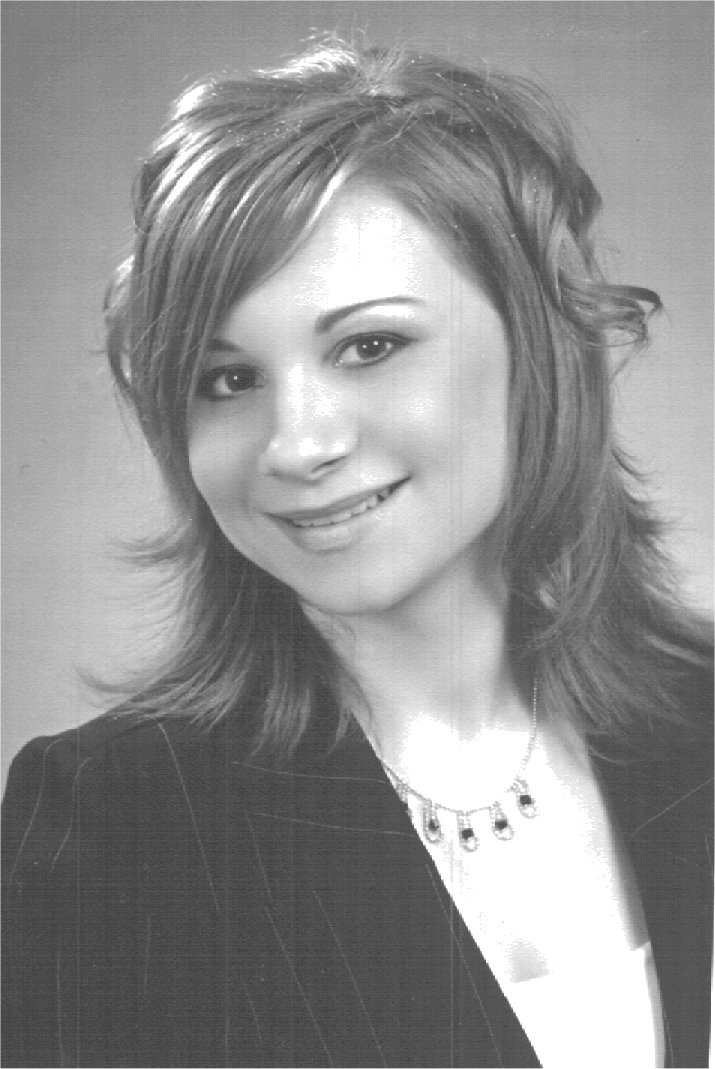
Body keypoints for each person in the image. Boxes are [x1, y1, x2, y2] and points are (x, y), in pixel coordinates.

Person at [2, 39, 712, 1069]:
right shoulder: (118, 822)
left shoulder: (698, 722)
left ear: (539, 344)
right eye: (227, 378)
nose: (296, 445)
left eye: (369, 345)